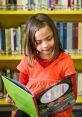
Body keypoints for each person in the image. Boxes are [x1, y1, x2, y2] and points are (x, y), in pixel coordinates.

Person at [6, 13, 77, 117]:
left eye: (49, 39)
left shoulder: (65, 60)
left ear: (55, 35)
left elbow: (72, 94)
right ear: (31, 43)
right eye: (38, 42)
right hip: (30, 111)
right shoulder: (28, 60)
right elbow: (21, 88)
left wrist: (57, 104)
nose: (45, 45)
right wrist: (14, 98)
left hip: (56, 111)